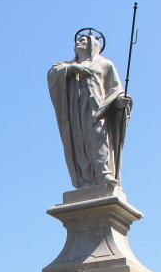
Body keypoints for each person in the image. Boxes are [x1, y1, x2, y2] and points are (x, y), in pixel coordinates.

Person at [47, 30, 131, 189]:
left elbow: (115, 89)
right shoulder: (66, 65)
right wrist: (71, 70)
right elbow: (53, 73)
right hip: (75, 109)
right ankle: (86, 179)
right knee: (79, 141)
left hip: (97, 108)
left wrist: (120, 102)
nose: (78, 43)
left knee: (98, 136)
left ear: (93, 45)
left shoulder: (105, 64)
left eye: (83, 41)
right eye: (77, 41)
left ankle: (103, 172)